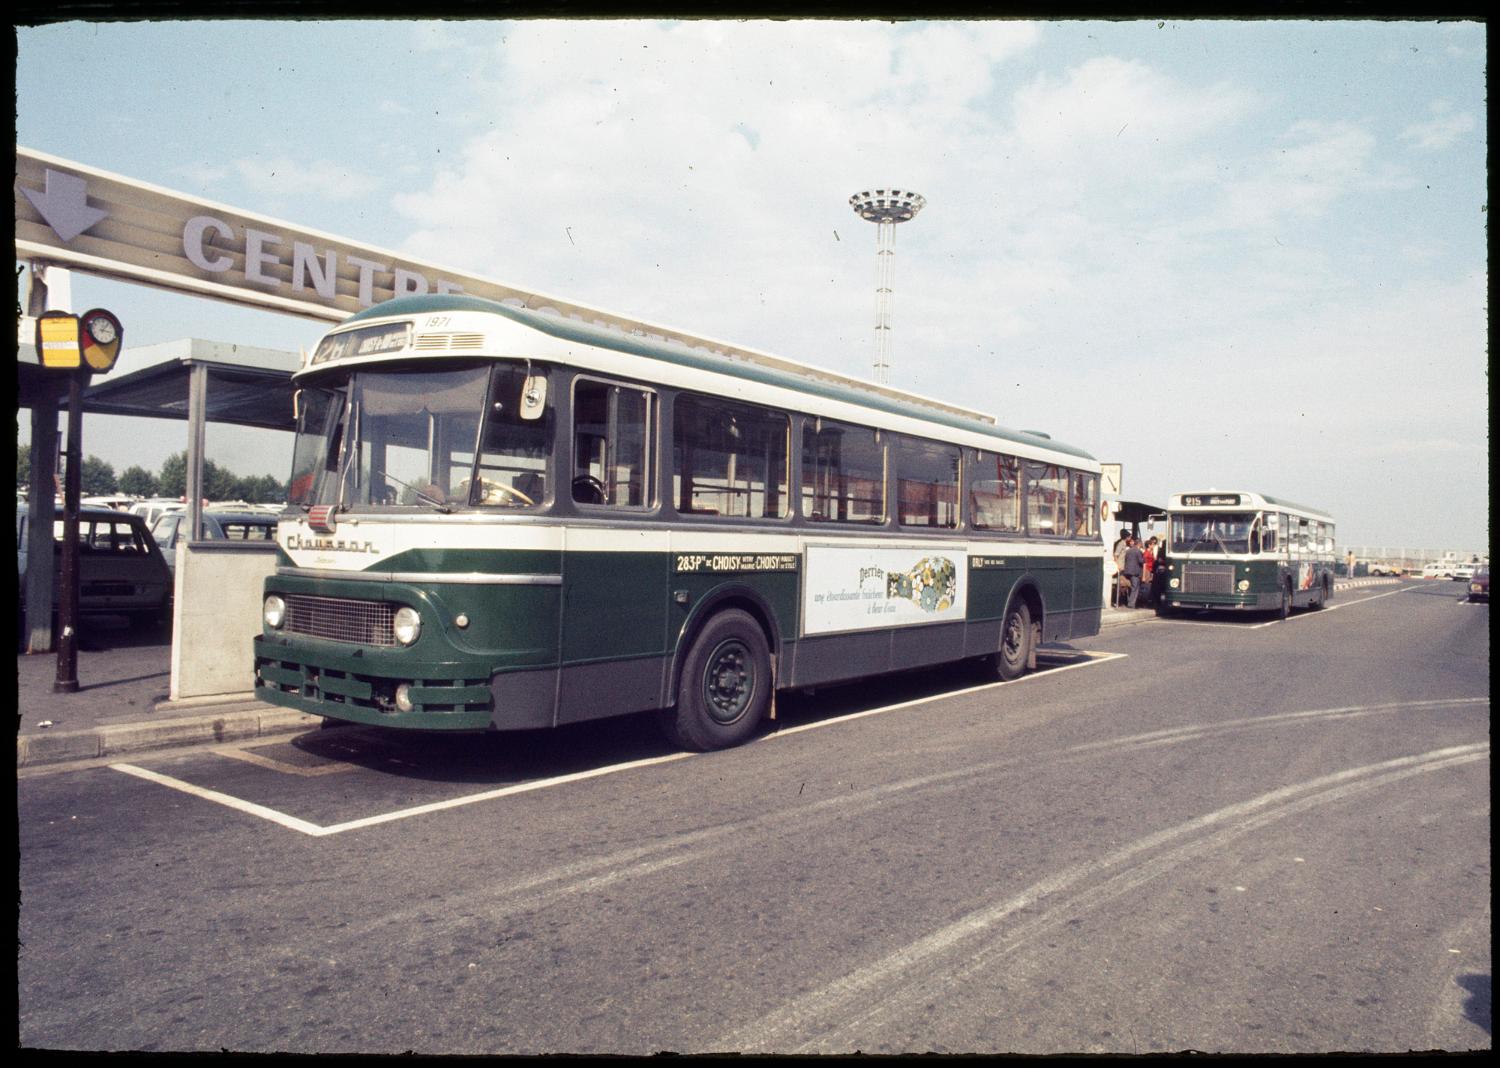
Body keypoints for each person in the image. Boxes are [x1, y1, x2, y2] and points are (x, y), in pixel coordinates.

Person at [1122, 535, 1145, 608]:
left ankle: (1129, 601)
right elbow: (1141, 561)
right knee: (1135, 588)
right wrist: (1144, 559)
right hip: (1135, 572)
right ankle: (1131, 604)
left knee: (1130, 587)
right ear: (1139, 544)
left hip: (1127, 571)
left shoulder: (1128, 550)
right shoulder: (1138, 551)